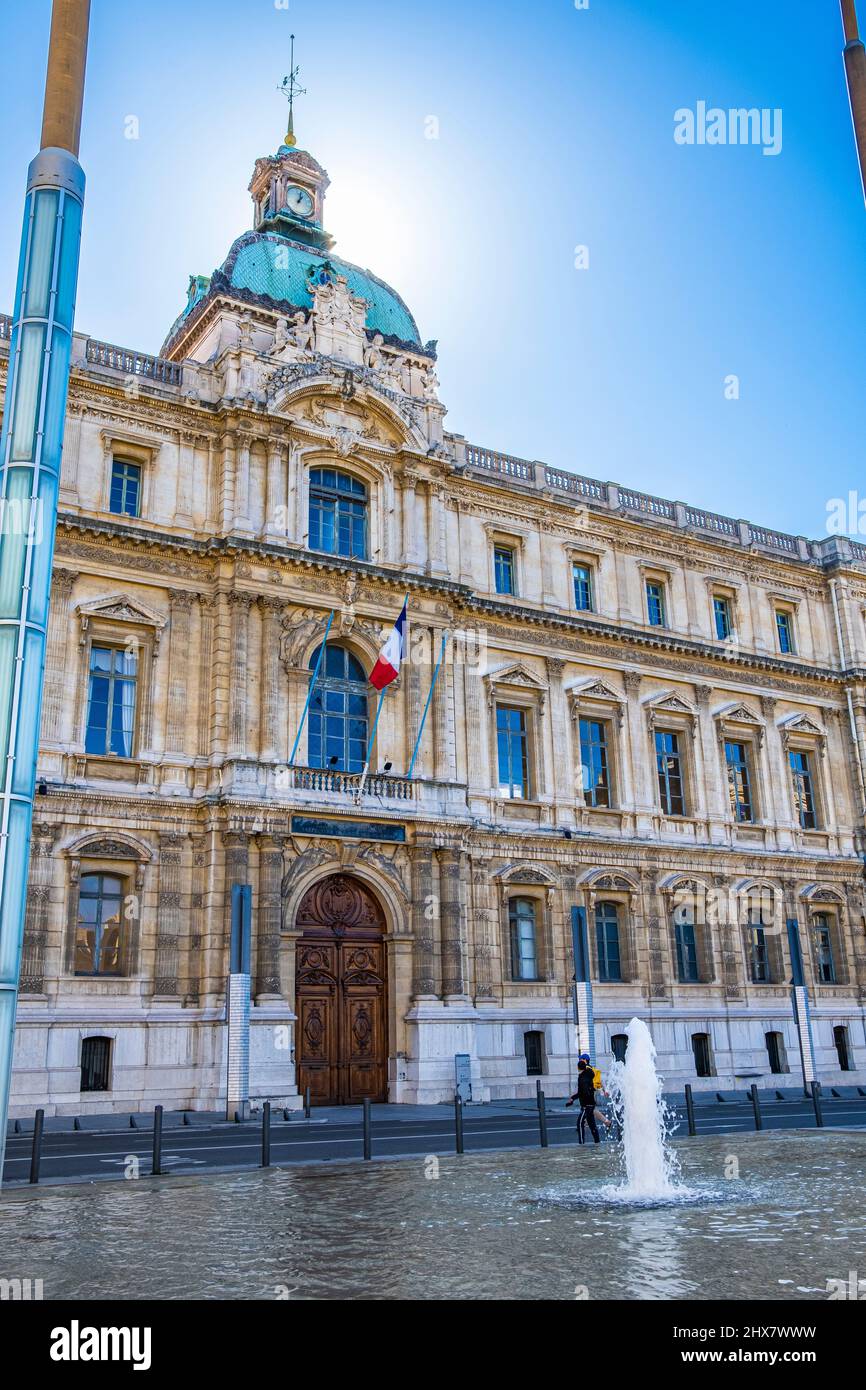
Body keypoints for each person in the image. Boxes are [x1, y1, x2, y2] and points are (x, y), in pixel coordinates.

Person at [565, 1059, 600, 1144]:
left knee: (580, 1123)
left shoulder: (582, 1078)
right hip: (591, 1103)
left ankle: (581, 1143)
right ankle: (597, 1142)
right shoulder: (588, 1073)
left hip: (587, 1105)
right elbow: (584, 1091)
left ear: (578, 1068)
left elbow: (582, 1092)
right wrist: (573, 1098)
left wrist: (574, 1099)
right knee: (592, 1125)